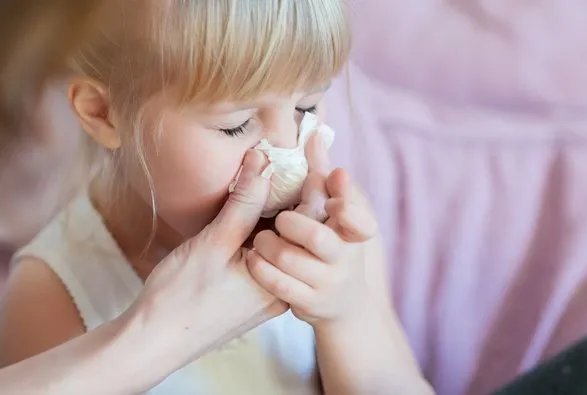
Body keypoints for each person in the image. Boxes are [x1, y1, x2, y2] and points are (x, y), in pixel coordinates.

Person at [0, 0, 432, 394]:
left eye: (307, 108)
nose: (287, 151)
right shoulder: (52, 290)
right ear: (103, 113)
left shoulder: (333, 234)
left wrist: (347, 312)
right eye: (235, 125)